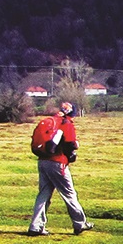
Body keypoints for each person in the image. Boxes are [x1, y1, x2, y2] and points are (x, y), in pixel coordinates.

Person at [29, 99, 92, 235]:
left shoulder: (50, 121)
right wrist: (75, 147)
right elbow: (70, 143)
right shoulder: (66, 123)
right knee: (69, 193)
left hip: (43, 161)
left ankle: (36, 226)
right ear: (71, 113)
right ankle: (79, 223)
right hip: (58, 162)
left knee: (44, 194)